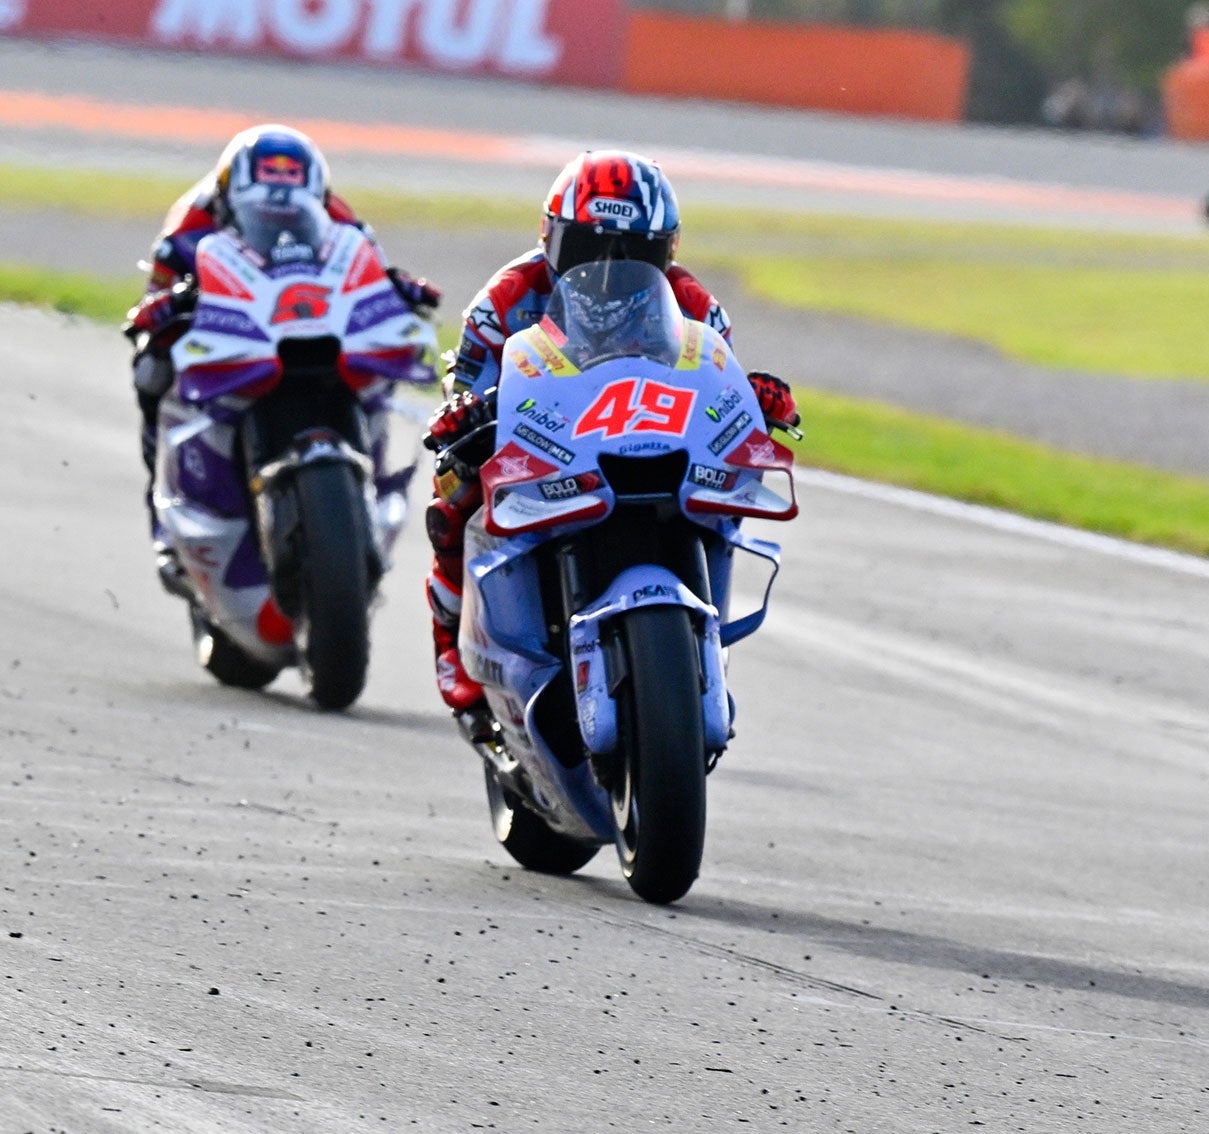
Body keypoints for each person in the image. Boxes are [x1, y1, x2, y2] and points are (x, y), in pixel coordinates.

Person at [421, 148, 800, 725]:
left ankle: (702, 633)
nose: (607, 265)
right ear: (551, 237)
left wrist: (756, 398)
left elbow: (717, 378)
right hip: (548, 441)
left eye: (632, 252)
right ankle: (452, 641)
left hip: (653, 439)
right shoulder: (506, 299)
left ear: (665, 251)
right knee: (454, 495)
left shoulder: (692, 301)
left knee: (728, 493)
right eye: (589, 248)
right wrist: (465, 413)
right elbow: (467, 382)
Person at [124, 124, 436, 477]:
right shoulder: (190, 222)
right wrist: (161, 307)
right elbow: (155, 294)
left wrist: (398, 287)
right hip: (228, 315)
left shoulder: (341, 216)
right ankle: (159, 462)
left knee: (379, 352)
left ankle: (375, 452)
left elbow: (370, 268)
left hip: (310, 315)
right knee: (150, 364)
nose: (279, 212)